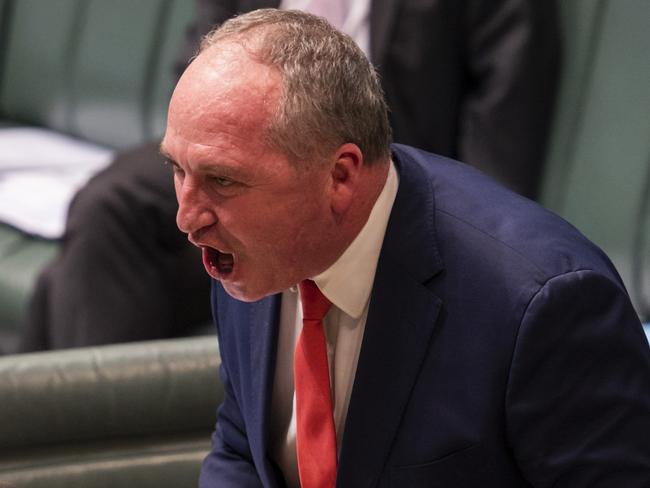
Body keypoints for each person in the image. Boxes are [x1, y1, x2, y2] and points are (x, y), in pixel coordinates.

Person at [161, 9, 650, 488]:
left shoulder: (541, 307)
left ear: (341, 176)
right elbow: (242, 443)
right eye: (178, 170)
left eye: (221, 180)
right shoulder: (245, 251)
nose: (188, 219)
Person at [21, 0, 560, 350]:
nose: (187, 215)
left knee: (62, 288)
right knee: (106, 212)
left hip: (377, 178)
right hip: (241, 147)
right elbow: (197, 66)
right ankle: (105, 455)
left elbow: (501, 141)